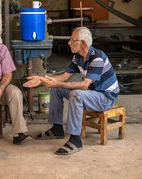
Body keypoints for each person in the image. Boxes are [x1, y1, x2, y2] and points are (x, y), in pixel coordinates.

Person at [23, 26, 120, 155]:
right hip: (91, 94)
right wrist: (42, 79)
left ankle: (75, 140)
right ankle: (57, 129)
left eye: (72, 40)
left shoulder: (97, 57)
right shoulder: (78, 57)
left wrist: (58, 83)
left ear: (83, 43)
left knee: (76, 94)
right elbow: (64, 77)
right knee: (56, 88)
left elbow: (84, 85)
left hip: (105, 98)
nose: (69, 43)